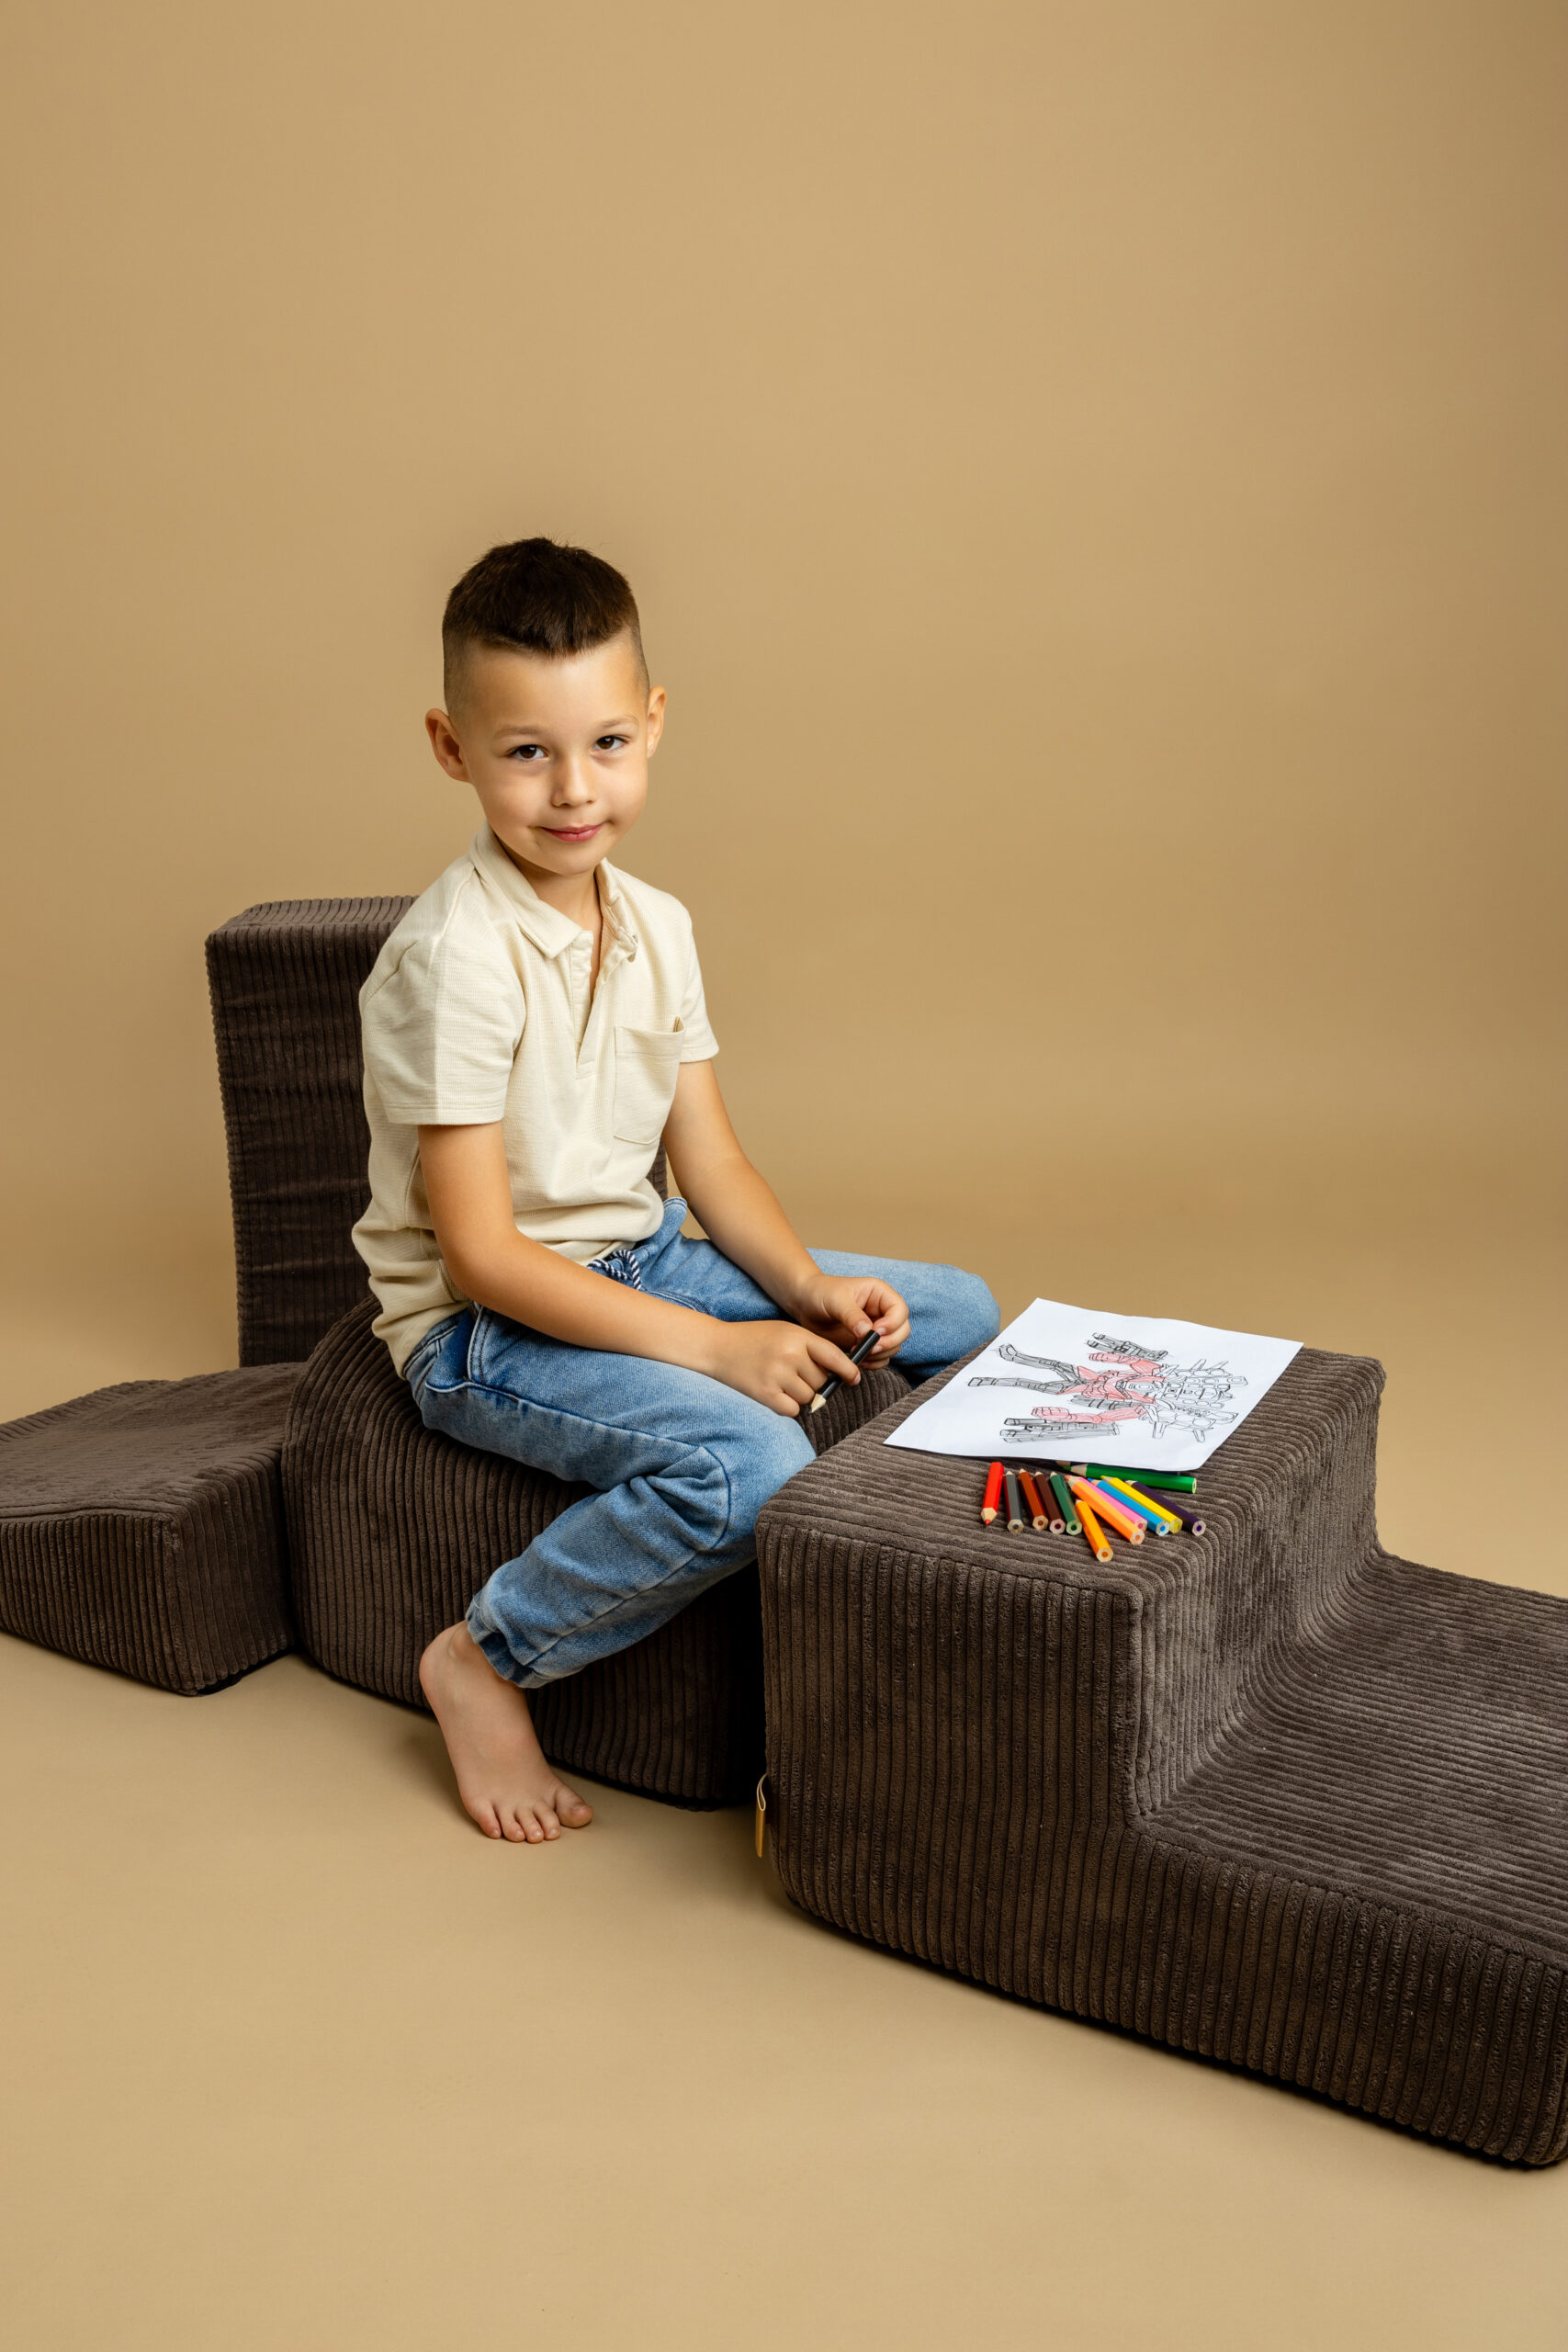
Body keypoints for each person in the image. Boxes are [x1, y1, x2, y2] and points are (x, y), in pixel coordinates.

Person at [352, 538, 999, 1844]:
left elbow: (709, 1161)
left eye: (605, 743)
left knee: (957, 1310)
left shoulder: (657, 924)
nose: (573, 789)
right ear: (451, 747)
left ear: (652, 723)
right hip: (486, 1328)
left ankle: (907, 1559)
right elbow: (481, 1255)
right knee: (748, 1462)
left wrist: (806, 1288)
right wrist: (716, 1349)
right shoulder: (454, 959)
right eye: (526, 752)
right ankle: (484, 1659)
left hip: (638, 1258)